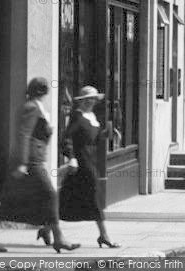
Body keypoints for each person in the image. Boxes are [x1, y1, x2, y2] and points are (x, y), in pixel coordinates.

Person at [0, 77, 80, 253]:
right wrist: (23, 163)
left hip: (33, 159)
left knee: (8, 199)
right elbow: (24, 135)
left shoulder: (36, 106)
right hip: (31, 161)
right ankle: (59, 238)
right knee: (50, 194)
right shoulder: (32, 107)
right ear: (43, 90)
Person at [54, 86, 120, 249]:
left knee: (66, 198)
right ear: (83, 101)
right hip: (81, 162)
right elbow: (66, 139)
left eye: (94, 99)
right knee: (96, 196)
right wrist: (71, 158)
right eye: (89, 99)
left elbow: (94, 138)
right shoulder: (77, 116)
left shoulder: (92, 116)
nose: (93, 101)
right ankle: (104, 235)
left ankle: (46, 228)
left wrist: (106, 134)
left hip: (91, 160)